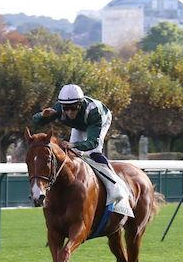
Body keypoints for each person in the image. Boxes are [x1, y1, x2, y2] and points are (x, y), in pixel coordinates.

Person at [32, 84, 131, 212]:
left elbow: (92, 143)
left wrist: (74, 144)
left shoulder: (94, 112)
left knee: (92, 153)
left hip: (100, 120)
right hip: (79, 125)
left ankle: (115, 186)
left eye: (73, 108)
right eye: (66, 108)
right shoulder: (59, 108)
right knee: (73, 154)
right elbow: (35, 121)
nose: (69, 112)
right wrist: (42, 115)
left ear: (80, 103)